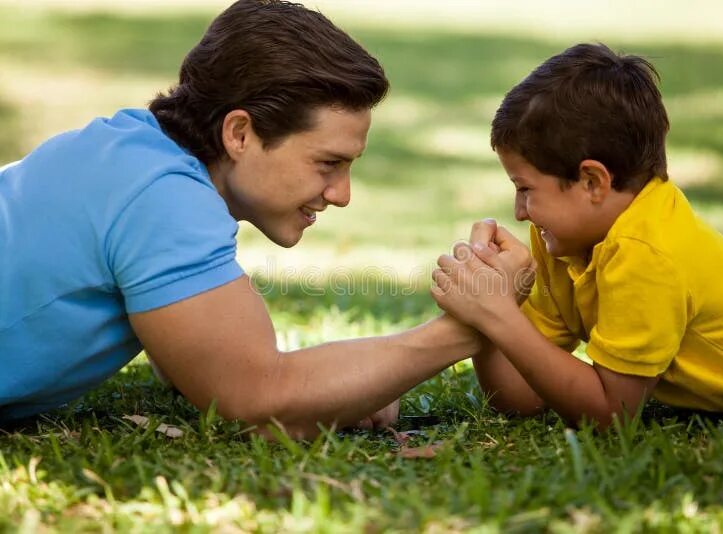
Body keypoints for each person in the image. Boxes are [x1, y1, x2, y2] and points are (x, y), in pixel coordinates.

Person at [0, 0, 481, 437]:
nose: (342, 195)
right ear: (240, 133)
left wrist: (337, 387)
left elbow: (196, 358)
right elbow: (257, 400)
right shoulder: (163, 198)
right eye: (328, 163)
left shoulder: (133, 150)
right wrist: (466, 329)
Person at [431, 43, 723, 428]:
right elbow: (519, 397)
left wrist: (499, 316)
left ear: (592, 181)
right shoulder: (566, 240)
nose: (519, 212)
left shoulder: (647, 255)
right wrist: (490, 305)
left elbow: (610, 415)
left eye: (525, 189)